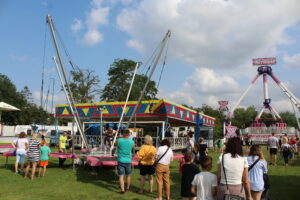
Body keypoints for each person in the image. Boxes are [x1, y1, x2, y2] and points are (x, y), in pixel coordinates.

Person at [116, 129, 135, 194]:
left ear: (123, 134)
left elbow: (115, 144)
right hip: (128, 160)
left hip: (121, 160)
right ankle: (127, 188)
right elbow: (133, 149)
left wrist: (119, 137)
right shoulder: (132, 141)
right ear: (129, 134)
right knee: (128, 175)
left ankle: (122, 190)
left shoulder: (119, 140)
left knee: (121, 176)